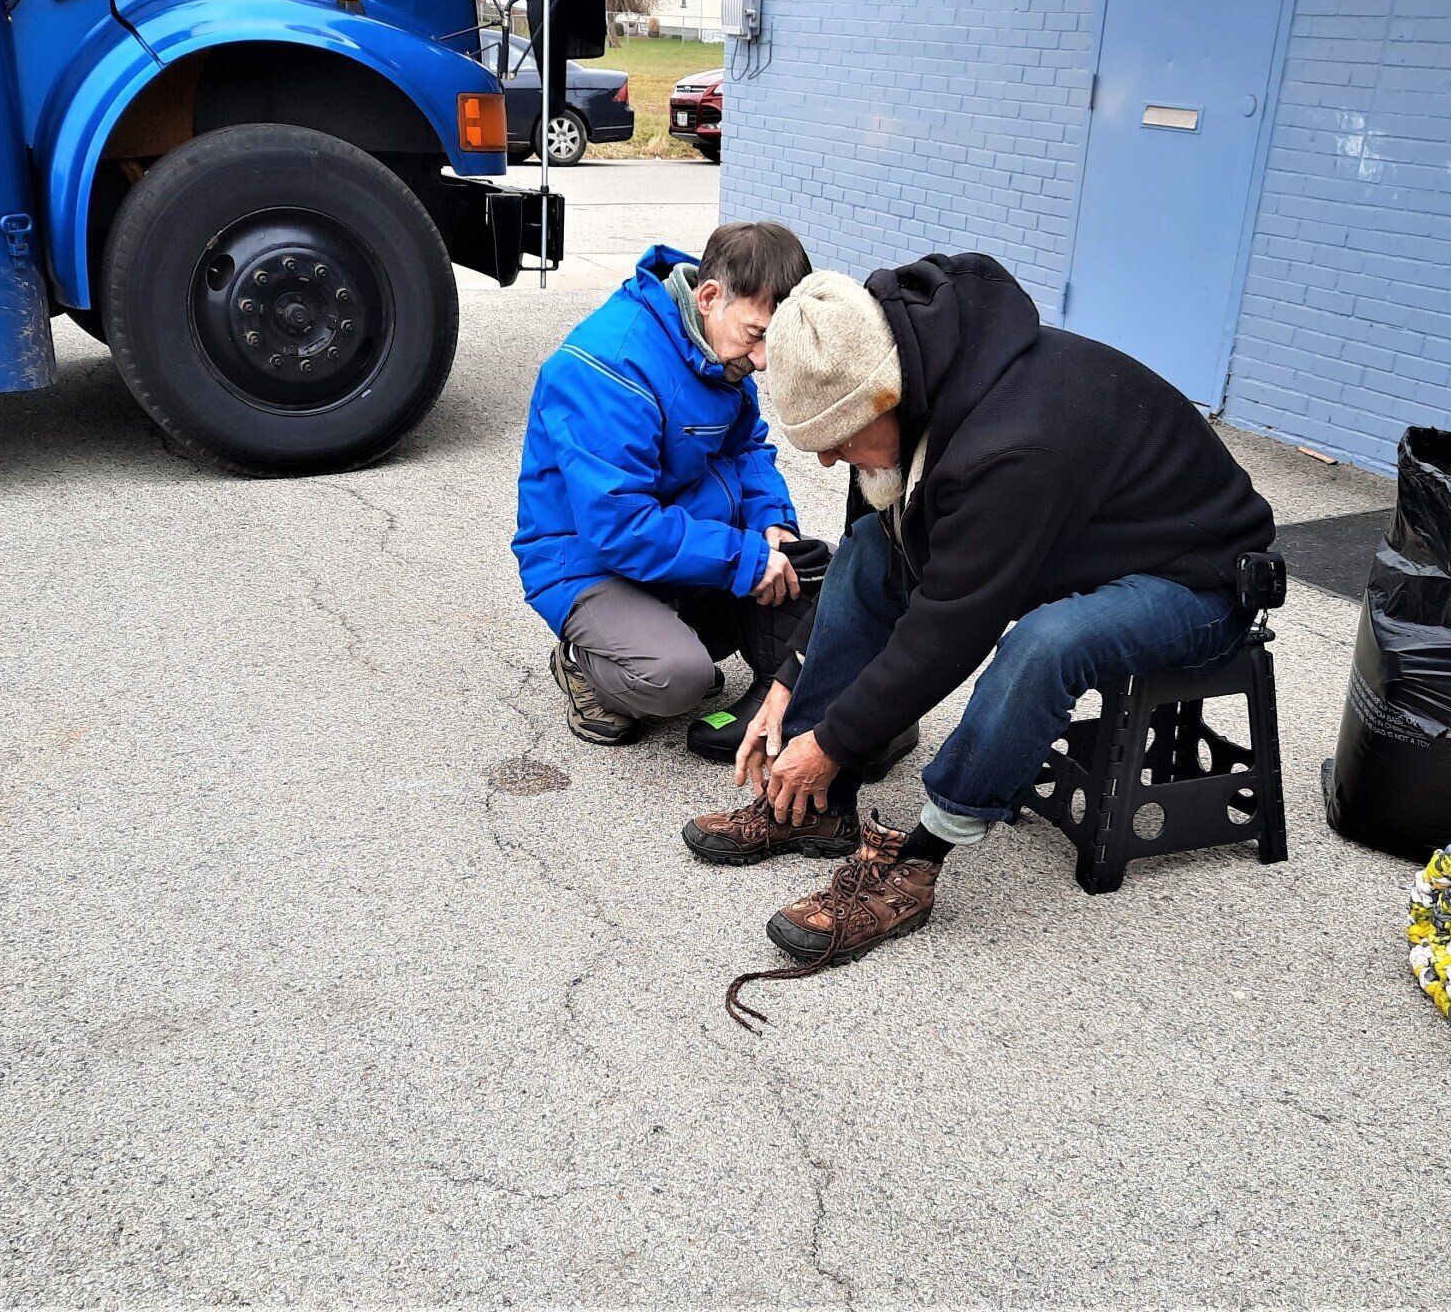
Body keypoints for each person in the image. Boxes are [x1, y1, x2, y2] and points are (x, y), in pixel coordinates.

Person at [682, 254, 1276, 1012]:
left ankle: (914, 862)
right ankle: (817, 805)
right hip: (1087, 536)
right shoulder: (903, 368)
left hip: (1197, 577)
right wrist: (790, 685)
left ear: (885, 398)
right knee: (866, 553)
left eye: (838, 438)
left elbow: (949, 628)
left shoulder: (1012, 449)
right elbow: (880, 534)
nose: (827, 458)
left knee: (1045, 644)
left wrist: (833, 738)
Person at [512, 223, 816, 748]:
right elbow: (618, 526)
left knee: (801, 576)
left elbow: (746, 447)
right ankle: (586, 666)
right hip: (588, 561)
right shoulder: (610, 366)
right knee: (678, 677)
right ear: (709, 297)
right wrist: (742, 560)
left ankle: (658, 633)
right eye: (757, 334)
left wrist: (773, 521)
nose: (763, 361)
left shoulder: (715, 347)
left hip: (665, 541)